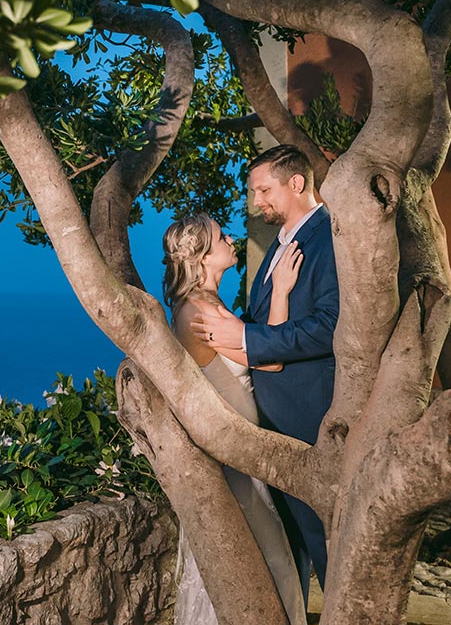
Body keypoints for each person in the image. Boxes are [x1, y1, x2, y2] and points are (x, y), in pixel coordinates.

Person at [191, 143, 338, 599]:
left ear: (296, 183)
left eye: (263, 190)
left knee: (324, 536)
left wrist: (247, 340)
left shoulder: (330, 236)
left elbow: (330, 327)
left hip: (305, 410)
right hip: (268, 416)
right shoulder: (279, 242)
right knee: (291, 536)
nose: (256, 202)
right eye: (254, 192)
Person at [164, 214, 307, 625]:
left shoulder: (207, 303)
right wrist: (280, 290)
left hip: (244, 451)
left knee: (267, 560)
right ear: (205, 256)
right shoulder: (198, 314)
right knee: (272, 562)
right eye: (220, 236)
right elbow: (272, 360)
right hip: (234, 461)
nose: (231, 238)